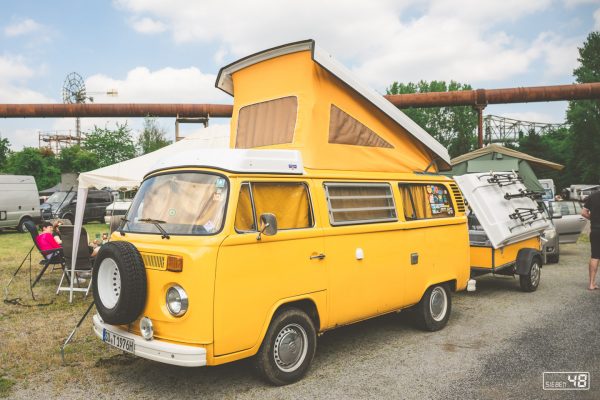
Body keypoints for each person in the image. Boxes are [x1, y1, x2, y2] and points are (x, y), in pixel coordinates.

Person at [582, 190, 600, 290]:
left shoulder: (593, 196)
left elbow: (583, 213)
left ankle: (591, 284)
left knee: (595, 256)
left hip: (595, 230)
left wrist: (593, 219)